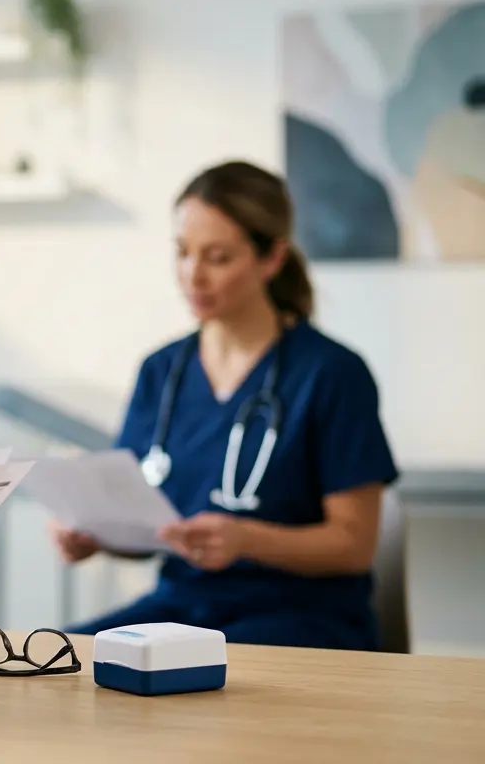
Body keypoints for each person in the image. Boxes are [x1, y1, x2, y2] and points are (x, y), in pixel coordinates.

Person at [49, 160, 398, 651]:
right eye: (183, 253)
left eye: (218, 257)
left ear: (272, 258)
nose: (194, 276)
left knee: (196, 693)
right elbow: (145, 523)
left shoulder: (331, 374)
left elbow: (354, 546)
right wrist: (96, 536)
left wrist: (247, 539)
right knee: (50, 662)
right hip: (180, 611)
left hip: (303, 620)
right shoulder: (161, 371)